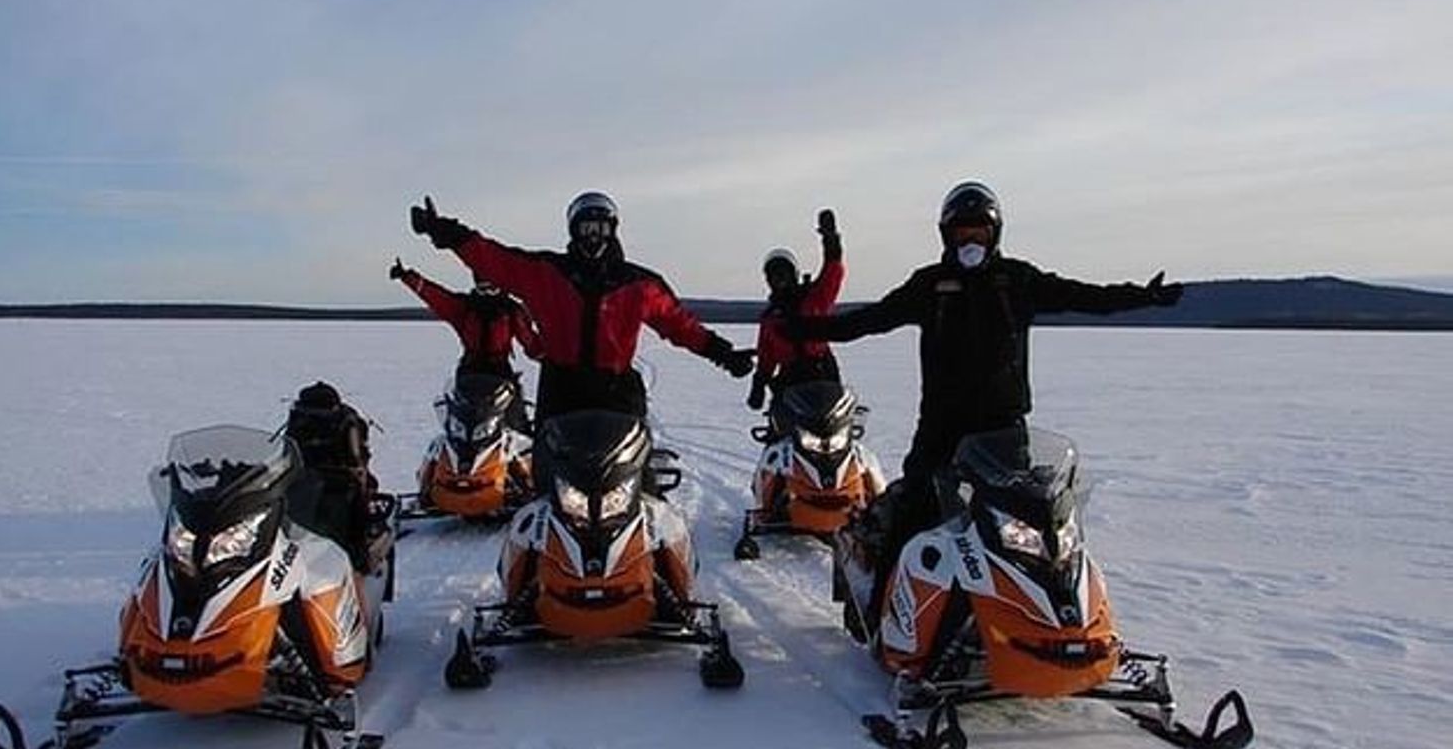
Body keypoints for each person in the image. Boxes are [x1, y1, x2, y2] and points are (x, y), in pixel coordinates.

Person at [791, 181, 1184, 556]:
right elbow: (869, 320)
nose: (971, 242)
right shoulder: (930, 285)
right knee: (912, 514)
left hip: (1003, 428)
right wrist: (807, 329)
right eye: (962, 234)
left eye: (978, 233)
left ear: (994, 234)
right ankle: (880, 597)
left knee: (1022, 528)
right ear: (947, 235)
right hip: (942, 426)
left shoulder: (1016, 281)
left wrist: (1143, 296)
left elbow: (1084, 297)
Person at [409, 191, 755, 426]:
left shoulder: (639, 283)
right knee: (548, 480)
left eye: (600, 228)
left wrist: (723, 353)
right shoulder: (547, 273)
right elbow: (495, 259)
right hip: (562, 389)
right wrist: (447, 232)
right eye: (586, 228)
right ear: (573, 231)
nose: (593, 236)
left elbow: (681, 325)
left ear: (612, 230)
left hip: (616, 391)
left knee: (637, 479)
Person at [748, 208, 845, 417]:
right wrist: (758, 385)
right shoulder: (770, 319)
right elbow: (766, 357)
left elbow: (833, 273)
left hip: (823, 379)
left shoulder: (814, 298)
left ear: (793, 274)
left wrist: (831, 240)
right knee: (781, 427)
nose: (779, 279)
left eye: (783, 274)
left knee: (834, 426)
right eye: (774, 275)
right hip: (790, 384)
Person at [390, 259, 543, 380]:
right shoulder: (465, 307)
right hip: (470, 371)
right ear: (476, 286)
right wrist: (408, 277)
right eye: (483, 289)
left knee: (512, 402)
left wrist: (545, 357)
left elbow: (528, 339)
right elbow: (437, 297)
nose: (488, 294)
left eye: (492, 289)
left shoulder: (510, 310)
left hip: (499, 372)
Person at [283, 381, 378, 570]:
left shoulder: (346, 424)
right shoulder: (303, 421)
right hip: (306, 478)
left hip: (336, 481)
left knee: (348, 515)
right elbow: (288, 449)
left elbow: (356, 459)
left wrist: (356, 475)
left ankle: (356, 561)